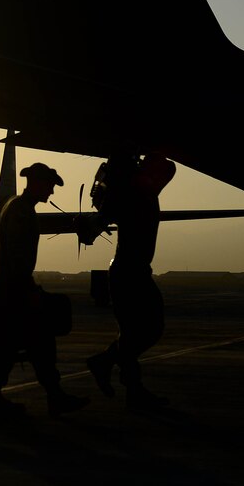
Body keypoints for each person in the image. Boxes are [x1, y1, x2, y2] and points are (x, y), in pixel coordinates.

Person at [0, 162, 87, 417]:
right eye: (49, 186)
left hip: (11, 285)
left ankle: (48, 395)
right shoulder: (21, 211)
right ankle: (49, 396)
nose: (51, 192)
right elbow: (16, 256)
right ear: (38, 183)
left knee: (21, 344)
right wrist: (28, 290)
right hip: (14, 287)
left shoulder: (18, 207)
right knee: (31, 343)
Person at [87, 154, 175, 412]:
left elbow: (169, 168)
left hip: (134, 271)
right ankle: (131, 388)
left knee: (141, 330)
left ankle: (107, 364)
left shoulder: (142, 189)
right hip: (128, 272)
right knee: (145, 329)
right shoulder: (126, 193)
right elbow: (96, 225)